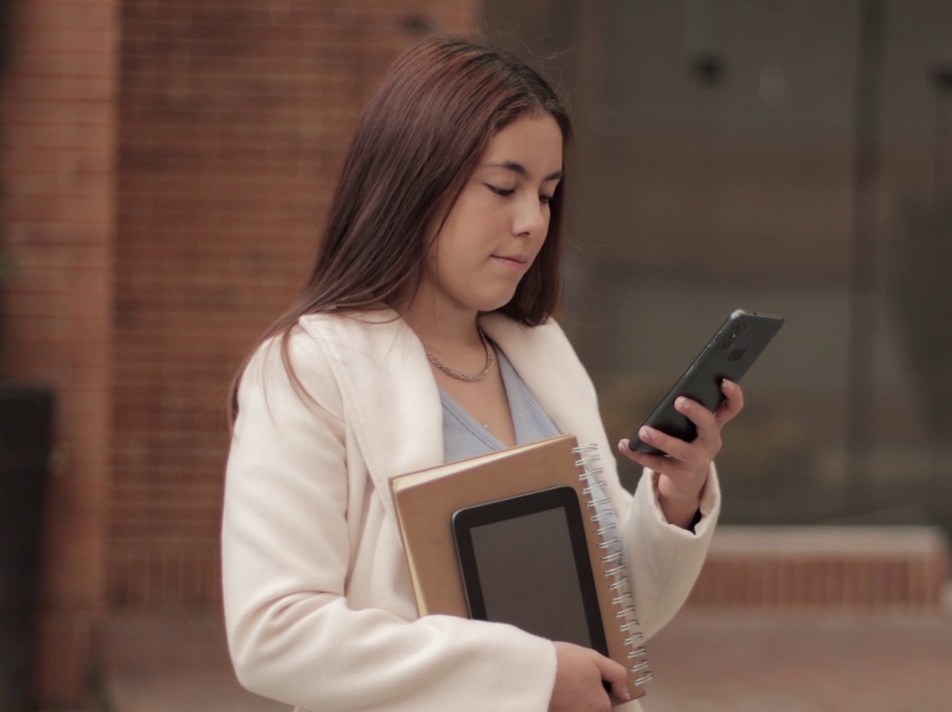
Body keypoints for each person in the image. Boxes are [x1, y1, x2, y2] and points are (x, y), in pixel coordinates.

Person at [221, 37, 743, 712]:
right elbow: (274, 636)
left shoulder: (539, 352)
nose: (532, 222)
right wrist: (529, 674)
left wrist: (677, 493)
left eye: (548, 194)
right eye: (503, 187)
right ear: (414, 181)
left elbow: (620, 616)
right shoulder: (310, 369)